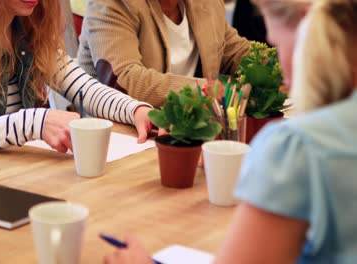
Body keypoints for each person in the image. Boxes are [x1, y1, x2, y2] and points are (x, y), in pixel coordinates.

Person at [104, 0, 357, 263]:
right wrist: (212, 88)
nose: (282, 61)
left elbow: (235, 50)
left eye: (279, 45)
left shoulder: (297, 149)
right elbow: (129, 77)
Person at [0, 0, 155, 169]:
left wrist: (137, 110)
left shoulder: (26, 26)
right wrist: (36, 122)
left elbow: (85, 89)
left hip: (1, 180)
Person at [77, 0, 250, 107]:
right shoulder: (112, 3)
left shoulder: (206, 3)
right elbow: (125, 79)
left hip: (188, 129)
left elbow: (235, 50)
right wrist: (203, 90)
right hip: (119, 137)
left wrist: (272, 63)